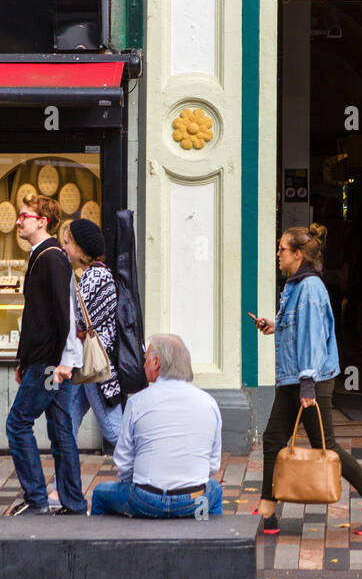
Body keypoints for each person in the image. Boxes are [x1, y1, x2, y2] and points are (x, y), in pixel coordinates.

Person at [253, 224, 362, 537]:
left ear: (298, 254)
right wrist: (273, 326)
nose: (277, 254)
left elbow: (314, 339)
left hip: (309, 380)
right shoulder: (296, 285)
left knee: (325, 446)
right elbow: (299, 328)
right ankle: (267, 510)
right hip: (295, 378)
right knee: (272, 439)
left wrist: (307, 383)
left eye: (282, 249)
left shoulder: (309, 289)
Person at [4, 194, 86, 517]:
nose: (19, 221)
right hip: (48, 362)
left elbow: (62, 314)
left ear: (42, 221)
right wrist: (24, 360)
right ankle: (73, 503)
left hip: (50, 364)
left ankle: (37, 500)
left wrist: (64, 362)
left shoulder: (50, 257)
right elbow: (41, 315)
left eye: (25, 216)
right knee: (60, 429)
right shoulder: (47, 256)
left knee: (17, 424)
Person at [90, 334, 223, 517]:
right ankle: (214, 540)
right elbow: (213, 464)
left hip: (146, 498)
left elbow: (124, 462)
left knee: (100, 493)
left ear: (156, 363)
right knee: (214, 489)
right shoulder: (209, 403)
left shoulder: (137, 402)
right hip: (194, 499)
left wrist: (136, 484)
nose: (143, 365)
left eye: (146, 359)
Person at [62, 219, 122, 450]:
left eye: (68, 243)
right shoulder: (93, 274)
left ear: (81, 248)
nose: (64, 247)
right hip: (90, 364)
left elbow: (79, 321)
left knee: (115, 432)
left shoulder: (97, 277)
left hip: (97, 366)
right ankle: (63, 486)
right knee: (67, 424)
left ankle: (152, 478)